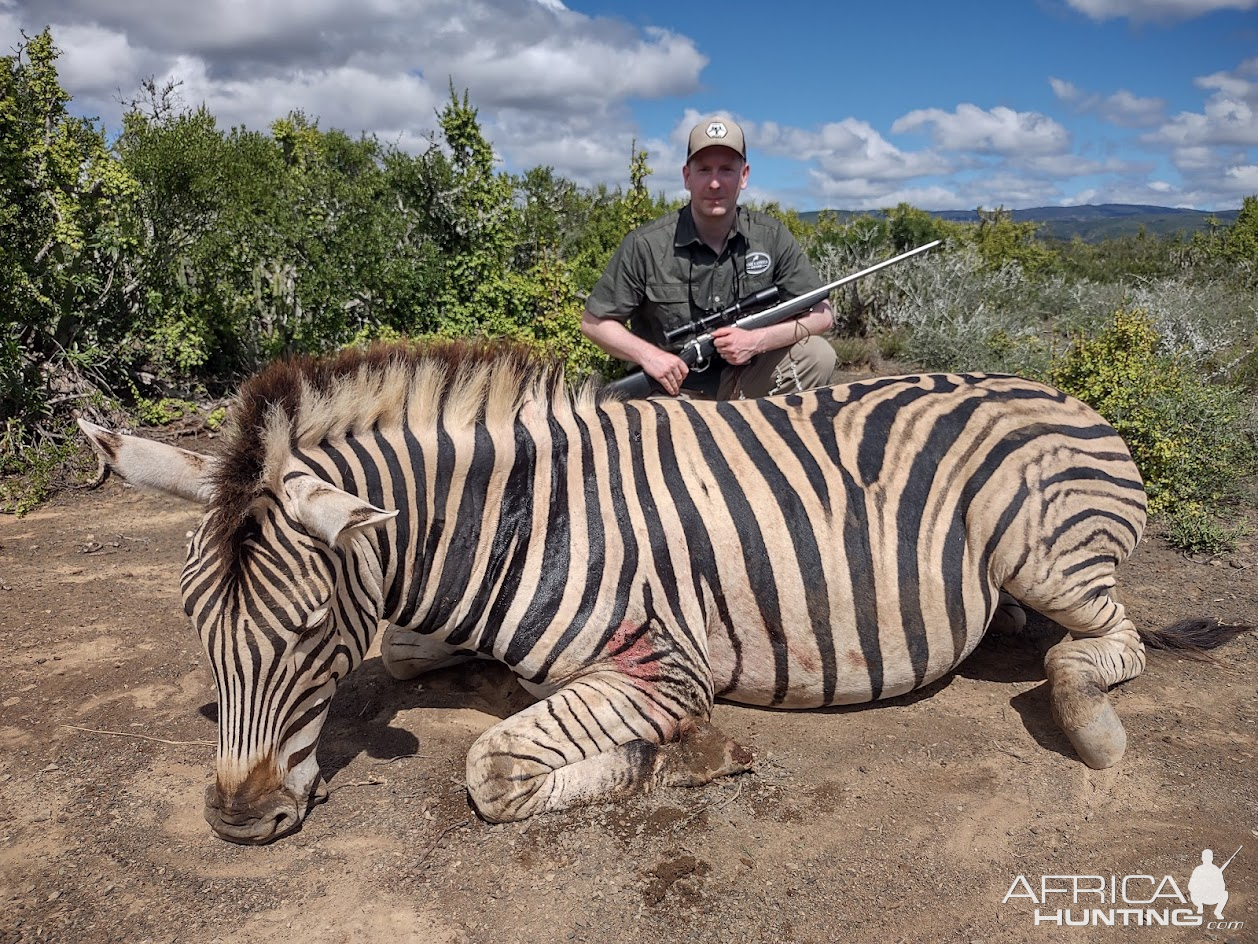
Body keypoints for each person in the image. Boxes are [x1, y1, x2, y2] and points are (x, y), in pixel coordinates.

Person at [582, 116, 836, 399]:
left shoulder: (771, 236)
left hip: (746, 381)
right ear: (687, 176)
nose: (715, 183)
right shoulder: (646, 244)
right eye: (704, 170)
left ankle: (765, 438)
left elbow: (822, 315)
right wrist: (651, 356)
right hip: (674, 391)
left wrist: (756, 341)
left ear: (744, 175)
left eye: (726, 169)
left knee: (818, 355)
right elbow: (594, 323)